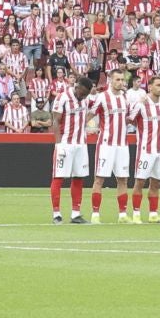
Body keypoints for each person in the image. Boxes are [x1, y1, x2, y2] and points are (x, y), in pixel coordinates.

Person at [86, 69, 137, 224]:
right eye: (118, 79)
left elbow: (127, 118)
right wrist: (86, 128)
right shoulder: (102, 97)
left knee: (123, 179)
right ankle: (95, 214)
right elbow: (90, 114)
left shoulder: (125, 98)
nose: (121, 82)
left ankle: (122, 215)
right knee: (99, 179)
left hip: (122, 144)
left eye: (122, 80)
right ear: (110, 80)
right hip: (106, 144)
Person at [49, 72, 93, 223]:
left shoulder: (85, 100)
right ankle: (56, 213)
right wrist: (58, 143)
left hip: (81, 143)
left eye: (87, 95)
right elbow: (55, 120)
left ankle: (75, 213)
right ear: (77, 87)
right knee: (59, 177)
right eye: (83, 93)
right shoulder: (63, 97)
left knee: (79, 176)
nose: (84, 97)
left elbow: (85, 116)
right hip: (65, 144)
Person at [132, 77, 160, 224]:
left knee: (156, 183)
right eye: (158, 85)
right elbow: (129, 119)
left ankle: (153, 214)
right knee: (140, 182)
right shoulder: (142, 104)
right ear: (150, 87)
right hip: (146, 149)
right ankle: (136, 214)